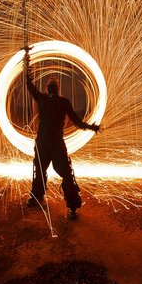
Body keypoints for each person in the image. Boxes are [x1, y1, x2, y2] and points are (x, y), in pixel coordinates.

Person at [23, 48, 100, 219]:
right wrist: (91, 127)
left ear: (48, 89)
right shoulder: (64, 102)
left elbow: (28, 84)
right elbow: (77, 122)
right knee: (65, 173)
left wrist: (26, 62)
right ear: (57, 90)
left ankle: (36, 198)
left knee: (40, 171)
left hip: (43, 143)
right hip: (57, 144)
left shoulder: (41, 99)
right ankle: (72, 206)